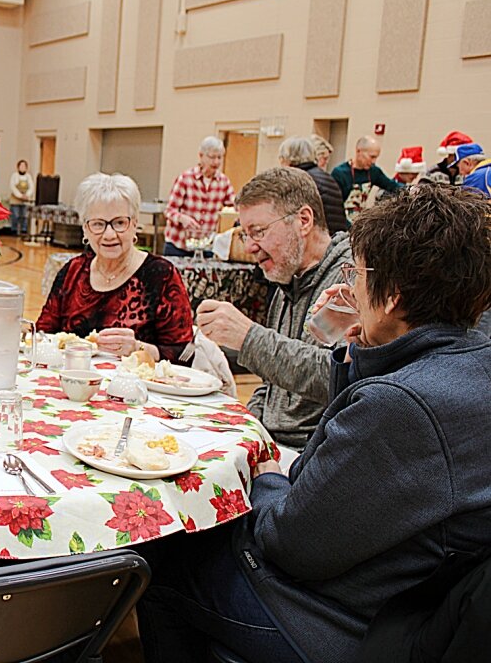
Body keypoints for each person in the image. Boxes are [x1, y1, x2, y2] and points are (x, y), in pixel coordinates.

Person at [138, 184, 491, 663]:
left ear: (393, 297)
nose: (352, 289)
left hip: (349, 624)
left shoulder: (399, 406)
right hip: (417, 602)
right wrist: (363, 355)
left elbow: (290, 544)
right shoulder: (469, 366)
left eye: (358, 274)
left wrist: (266, 479)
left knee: (164, 557)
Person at [196, 167, 351, 448]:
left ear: (303, 221)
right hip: (271, 442)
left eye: (259, 232)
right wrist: (247, 425)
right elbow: (272, 385)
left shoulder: (347, 280)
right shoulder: (288, 276)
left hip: (309, 452)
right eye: (245, 235)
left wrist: (249, 338)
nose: (250, 247)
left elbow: (335, 375)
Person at [36, 173, 193, 362]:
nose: (109, 234)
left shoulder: (161, 275)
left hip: (137, 380)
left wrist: (138, 348)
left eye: (119, 223)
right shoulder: (72, 272)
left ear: (134, 224)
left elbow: (185, 354)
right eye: (98, 224)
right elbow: (43, 334)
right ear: (85, 229)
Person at [163, 136, 235, 256]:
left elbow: (234, 207)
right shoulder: (185, 179)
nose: (216, 162)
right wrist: (182, 218)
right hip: (178, 246)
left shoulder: (224, 182)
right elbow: (169, 211)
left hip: (206, 246)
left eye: (219, 157)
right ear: (201, 156)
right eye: (212, 157)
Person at [278, 136, 348, 234]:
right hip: (333, 237)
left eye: (282, 159)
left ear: (288, 159)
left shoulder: (299, 180)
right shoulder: (326, 177)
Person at [330, 136, 402, 222]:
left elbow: (392, 186)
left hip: (358, 221)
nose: (374, 161)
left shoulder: (374, 172)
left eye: (376, 157)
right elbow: (333, 205)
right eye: (372, 157)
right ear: (358, 151)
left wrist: (411, 190)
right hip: (339, 221)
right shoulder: (340, 173)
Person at [7, 159, 34, 236]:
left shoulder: (28, 177)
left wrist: (27, 195)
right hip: (15, 200)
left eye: (24, 166)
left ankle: (23, 230)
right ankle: (14, 230)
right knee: (15, 216)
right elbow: (12, 187)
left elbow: (31, 187)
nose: (22, 168)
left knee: (24, 216)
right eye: (21, 166)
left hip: (25, 200)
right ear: (18, 167)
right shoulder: (14, 176)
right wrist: (20, 195)